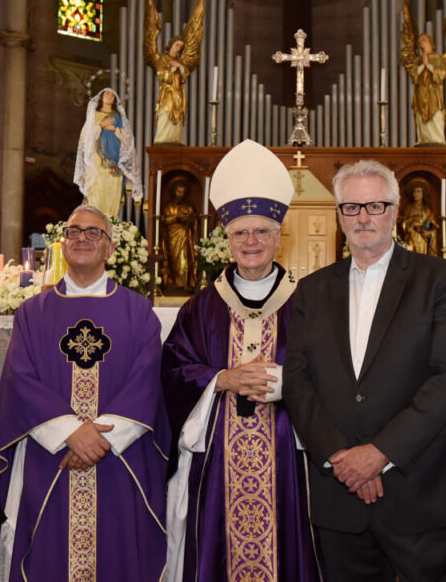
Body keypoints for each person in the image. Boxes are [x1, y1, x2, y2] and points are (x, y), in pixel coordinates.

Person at [284, 159, 446, 582]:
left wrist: (378, 454)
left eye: (375, 205)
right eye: (351, 207)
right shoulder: (312, 290)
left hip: (420, 491)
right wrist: (342, 458)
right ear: (338, 216)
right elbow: (297, 382)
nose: (363, 217)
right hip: (341, 496)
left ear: (394, 210)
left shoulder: (439, 279)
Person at [162, 139, 322, 582]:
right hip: (217, 462)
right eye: (240, 233)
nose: (250, 241)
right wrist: (223, 380)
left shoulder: (309, 303)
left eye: (261, 232)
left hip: (289, 459)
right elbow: (173, 372)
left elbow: (335, 372)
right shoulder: (200, 308)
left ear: (277, 236)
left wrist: (287, 383)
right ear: (227, 238)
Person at [0, 204, 168, 581]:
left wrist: (96, 441)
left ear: (110, 248)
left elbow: (147, 382)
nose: (83, 239)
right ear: (62, 244)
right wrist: (71, 434)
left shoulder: (139, 312)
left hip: (119, 463)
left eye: (94, 233)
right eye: (74, 232)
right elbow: (19, 380)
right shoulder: (32, 312)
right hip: (50, 460)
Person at [143, 0, 204, 145]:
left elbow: (185, 75)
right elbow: (161, 75)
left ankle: (175, 140)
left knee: (177, 119)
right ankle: (163, 140)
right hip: (167, 93)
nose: (179, 49)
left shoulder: (181, 60)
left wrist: (180, 67)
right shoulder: (161, 58)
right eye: (177, 45)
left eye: (181, 47)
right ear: (171, 45)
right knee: (165, 115)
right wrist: (171, 69)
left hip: (178, 94)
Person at [73, 87, 144, 218]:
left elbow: (128, 141)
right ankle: (95, 222)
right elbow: (85, 138)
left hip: (115, 161)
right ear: (101, 97)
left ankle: (110, 222)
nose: (110, 96)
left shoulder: (118, 118)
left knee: (112, 192)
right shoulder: (94, 115)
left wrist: (113, 128)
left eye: (112, 95)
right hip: (97, 163)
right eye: (107, 93)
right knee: (97, 191)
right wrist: (100, 124)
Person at [401, 0, 446, 145]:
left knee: (435, 119)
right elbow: (414, 75)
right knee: (422, 120)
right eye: (420, 41)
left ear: (430, 42)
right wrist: (422, 67)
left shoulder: (438, 58)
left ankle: (437, 140)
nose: (422, 42)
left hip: (434, 95)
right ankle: (424, 140)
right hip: (421, 95)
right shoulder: (418, 60)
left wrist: (429, 67)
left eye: (424, 40)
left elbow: (441, 75)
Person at [160, 178, 198, 292]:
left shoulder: (188, 206)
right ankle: (174, 283)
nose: (181, 195)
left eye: (183, 192)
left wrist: (187, 219)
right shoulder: (169, 206)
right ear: (174, 191)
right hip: (172, 237)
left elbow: (194, 221)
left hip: (185, 236)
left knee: (185, 258)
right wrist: (176, 217)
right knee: (174, 260)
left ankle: (186, 283)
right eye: (178, 192)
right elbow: (164, 220)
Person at [399, 181, 439, 255]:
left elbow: (432, 226)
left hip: (422, 238)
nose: (416, 194)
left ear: (423, 194)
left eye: (418, 192)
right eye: (414, 192)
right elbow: (403, 223)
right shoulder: (408, 208)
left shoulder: (427, 209)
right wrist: (411, 223)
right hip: (411, 237)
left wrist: (429, 233)